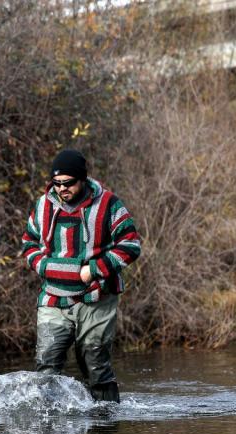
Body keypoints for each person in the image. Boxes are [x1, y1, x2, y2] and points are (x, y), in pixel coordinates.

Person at [21, 149, 141, 402]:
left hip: (97, 295)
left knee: (95, 365)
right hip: (53, 297)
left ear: (82, 179)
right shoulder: (43, 205)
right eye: (57, 183)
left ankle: (104, 424)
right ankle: (48, 429)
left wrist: (95, 269)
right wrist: (42, 265)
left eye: (69, 183)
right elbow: (29, 242)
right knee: (46, 364)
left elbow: (131, 245)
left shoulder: (109, 203)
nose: (62, 188)